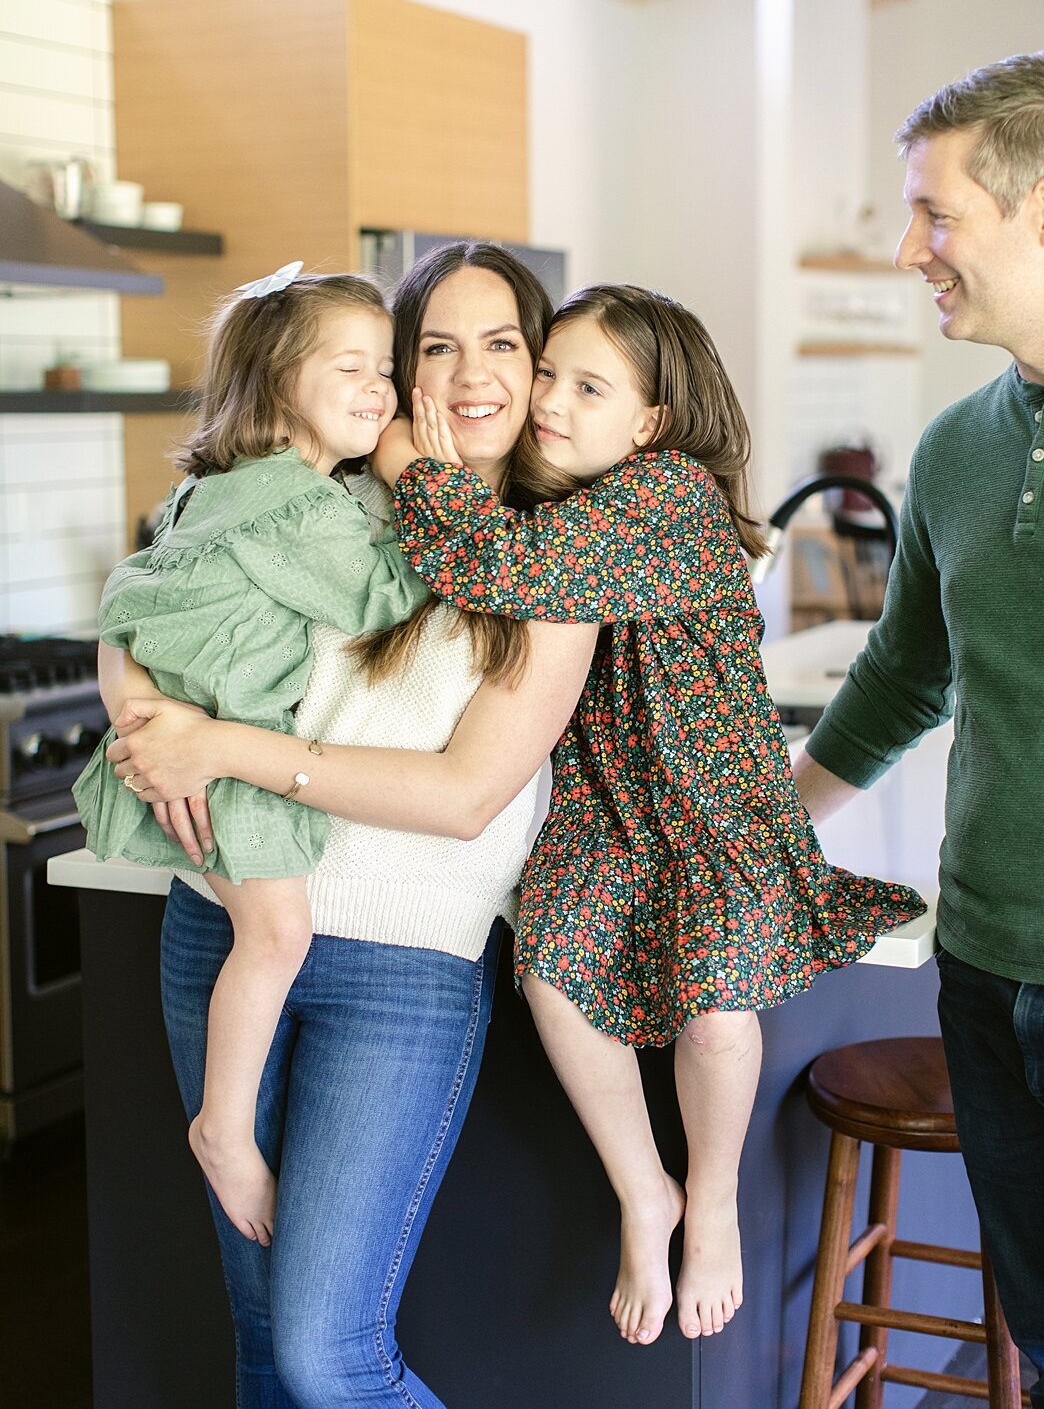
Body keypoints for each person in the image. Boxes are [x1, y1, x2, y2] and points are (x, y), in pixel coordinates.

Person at [381, 282, 925, 1348]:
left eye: (587, 386)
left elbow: (502, 569)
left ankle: (708, 1196)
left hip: (711, 812)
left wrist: (411, 462)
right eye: (547, 375)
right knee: (549, 972)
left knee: (717, 1012)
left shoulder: (664, 496)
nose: (548, 399)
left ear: (650, 423)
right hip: (606, 813)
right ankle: (645, 1191)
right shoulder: (565, 502)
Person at [101, 241, 598, 1409]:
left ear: (535, 369)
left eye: (500, 345)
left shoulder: (559, 560)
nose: (466, 374)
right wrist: (134, 703)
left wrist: (218, 748)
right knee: (265, 1337)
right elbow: (151, 596)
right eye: (433, 346)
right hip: (220, 925)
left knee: (329, 1357)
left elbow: (463, 795)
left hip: (399, 969)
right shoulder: (312, 486)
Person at [788, 53, 1044, 1409]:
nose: (915, 247)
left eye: (937, 213)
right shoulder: (959, 444)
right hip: (980, 968)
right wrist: (769, 827)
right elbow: (906, 669)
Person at [75, 265, 428, 1247]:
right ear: (277, 385)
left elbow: (125, 599)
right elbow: (381, 600)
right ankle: (222, 1130)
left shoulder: (212, 492)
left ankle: (224, 1123)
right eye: (351, 369)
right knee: (276, 937)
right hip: (228, 760)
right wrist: (418, 483)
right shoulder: (295, 508)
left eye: (387, 371)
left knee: (261, 936)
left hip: (180, 739)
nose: (381, 391)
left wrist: (130, 703)